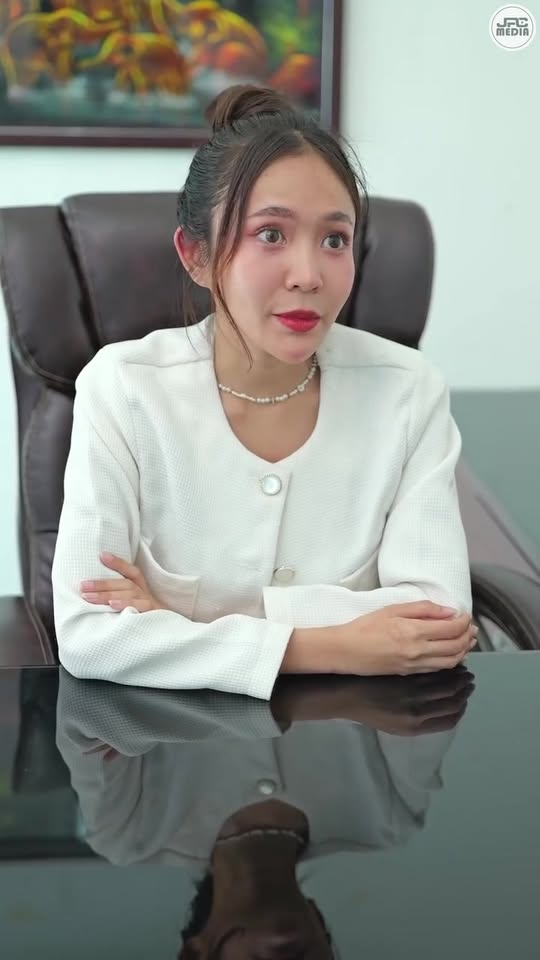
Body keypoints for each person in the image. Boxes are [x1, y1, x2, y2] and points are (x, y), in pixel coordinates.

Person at [51, 84, 476, 700]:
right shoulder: (122, 387)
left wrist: (179, 623)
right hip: (166, 748)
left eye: (335, 240)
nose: (308, 275)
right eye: (271, 234)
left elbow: (436, 620)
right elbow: (89, 635)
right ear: (196, 255)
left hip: (355, 742)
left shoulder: (409, 392)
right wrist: (328, 644)